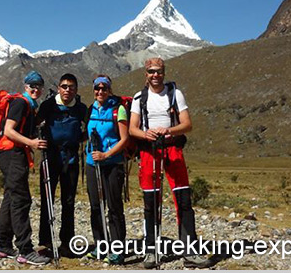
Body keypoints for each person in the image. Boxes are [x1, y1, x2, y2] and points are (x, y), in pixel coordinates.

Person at [128, 57, 211, 269]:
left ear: (164, 73)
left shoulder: (175, 94)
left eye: (159, 71)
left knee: (183, 199)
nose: (155, 75)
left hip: (173, 149)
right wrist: (146, 134)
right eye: (151, 72)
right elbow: (132, 129)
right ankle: (151, 252)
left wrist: (169, 130)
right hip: (149, 151)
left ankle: (190, 252)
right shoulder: (139, 98)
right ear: (145, 74)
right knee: (150, 202)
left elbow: (187, 124)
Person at [0, 70, 51, 265]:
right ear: (25, 87)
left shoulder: (28, 105)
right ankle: (25, 249)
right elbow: (9, 131)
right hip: (12, 153)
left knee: (10, 197)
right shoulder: (20, 103)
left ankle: (3, 245)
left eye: (38, 86)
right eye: (32, 85)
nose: (35, 89)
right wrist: (31, 142)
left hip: (9, 153)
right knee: (21, 199)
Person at [35, 73, 87, 259]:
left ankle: (67, 242)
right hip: (50, 158)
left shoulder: (81, 108)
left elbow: (88, 128)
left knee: (69, 202)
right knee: (47, 200)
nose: (67, 90)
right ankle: (45, 242)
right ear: (58, 88)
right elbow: (36, 124)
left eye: (71, 87)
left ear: (76, 89)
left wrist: (80, 139)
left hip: (71, 159)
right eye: (64, 86)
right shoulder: (48, 106)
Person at [84, 75, 129, 265]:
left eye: (104, 88)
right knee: (96, 206)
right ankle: (101, 245)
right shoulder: (90, 109)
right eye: (97, 88)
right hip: (92, 164)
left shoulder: (118, 110)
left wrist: (106, 155)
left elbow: (124, 139)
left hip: (112, 164)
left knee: (114, 207)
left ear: (110, 90)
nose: (100, 92)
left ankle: (117, 248)